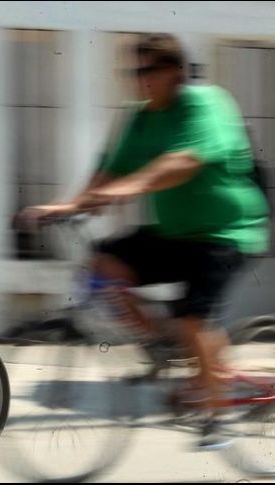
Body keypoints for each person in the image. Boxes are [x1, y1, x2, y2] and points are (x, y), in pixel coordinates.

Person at [23, 33, 270, 449]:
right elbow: (106, 175)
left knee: (195, 318)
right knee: (104, 264)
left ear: (174, 72)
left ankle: (217, 419)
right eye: (134, 72)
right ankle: (164, 343)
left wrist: (129, 188)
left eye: (148, 71)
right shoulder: (137, 117)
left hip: (227, 233)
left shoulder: (205, 103)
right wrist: (62, 209)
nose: (140, 81)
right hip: (174, 234)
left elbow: (184, 161)